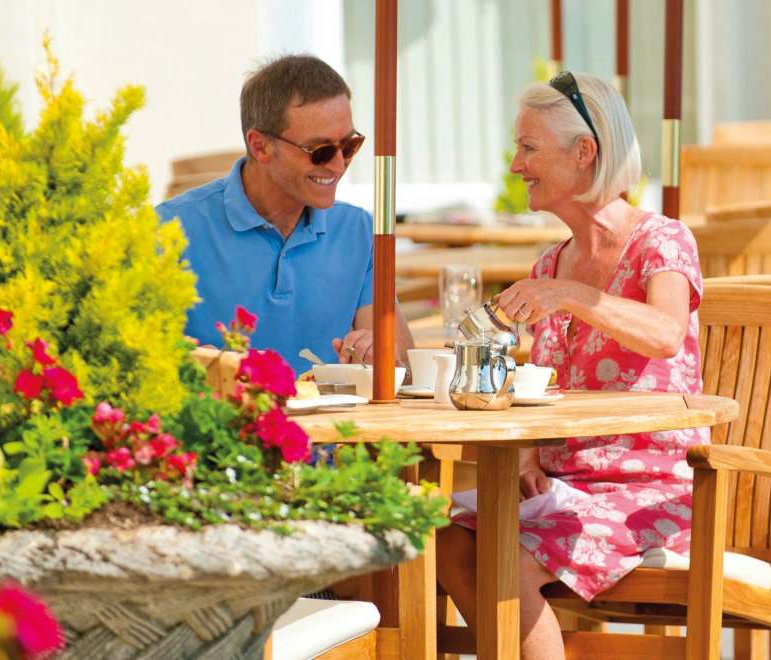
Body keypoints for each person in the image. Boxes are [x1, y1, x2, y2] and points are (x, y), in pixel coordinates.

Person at [435, 71, 706, 659]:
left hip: (651, 494)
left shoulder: (663, 242)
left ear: (584, 152)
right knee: (442, 541)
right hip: (563, 487)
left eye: (528, 147)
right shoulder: (551, 263)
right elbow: (538, 377)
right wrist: (531, 452)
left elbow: (664, 333)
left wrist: (576, 297)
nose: (514, 165)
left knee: (505, 559)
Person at [157, 54, 412, 375]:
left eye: (349, 146)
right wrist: (183, 363)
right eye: (320, 151)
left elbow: (405, 366)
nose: (337, 164)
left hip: (339, 424)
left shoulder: (357, 229)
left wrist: (380, 351)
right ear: (260, 146)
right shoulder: (170, 231)